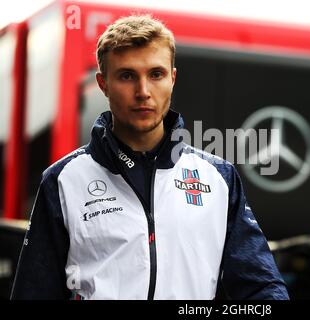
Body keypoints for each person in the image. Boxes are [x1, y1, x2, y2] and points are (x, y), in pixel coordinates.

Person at [11, 15, 289, 300]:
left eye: (156, 74)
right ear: (103, 83)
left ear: (173, 78)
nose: (143, 92)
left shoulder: (219, 178)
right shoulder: (63, 180)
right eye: (127, 76)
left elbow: (262, 288)